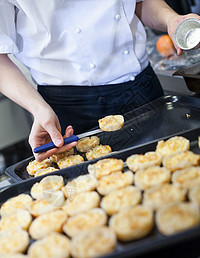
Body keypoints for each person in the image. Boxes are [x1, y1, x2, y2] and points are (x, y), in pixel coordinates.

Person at [0, 0, 199, 162]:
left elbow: (139, 3)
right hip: (66, 111)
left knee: (176, 174)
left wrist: (171, 19)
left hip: (142, 89)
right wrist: (38, 110)